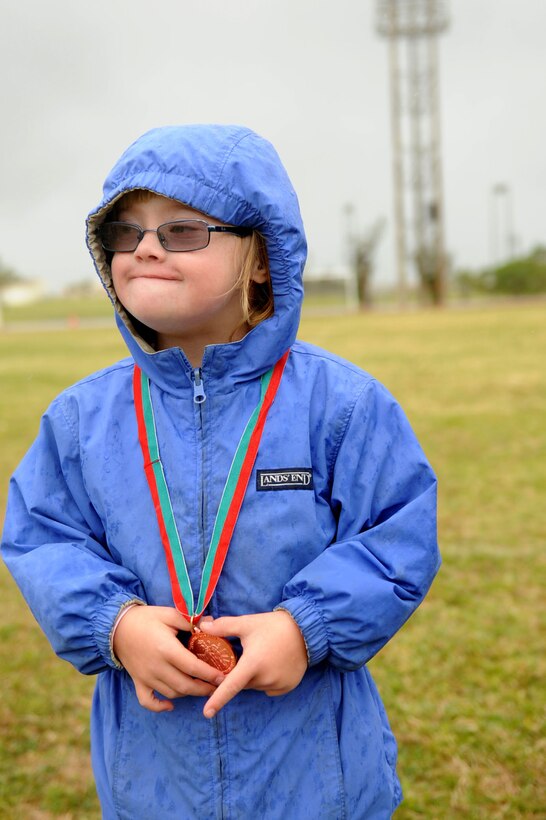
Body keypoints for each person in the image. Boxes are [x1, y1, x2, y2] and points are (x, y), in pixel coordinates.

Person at [1, 124, 440, 819]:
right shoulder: (83, 417)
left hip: (312, 775)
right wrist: (114, 624)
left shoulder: (342, 404)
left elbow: (398, 534)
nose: (144, 246)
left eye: (181, 230)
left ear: (260, 258)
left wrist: (306, 626)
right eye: (126, 230)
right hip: (154, 777)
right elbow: (43, 535)